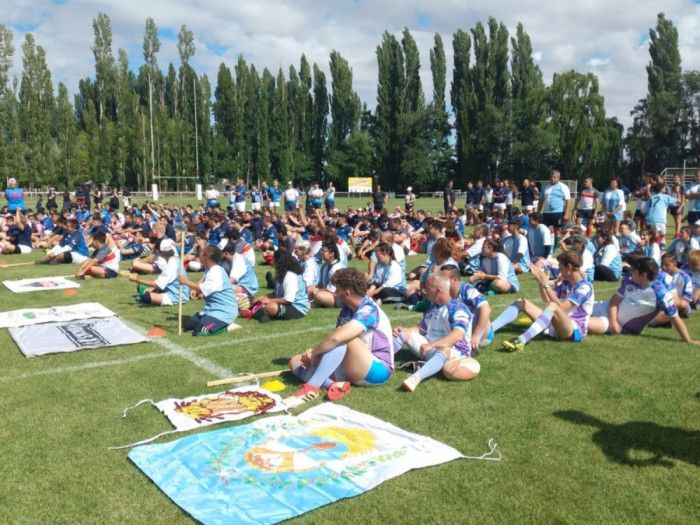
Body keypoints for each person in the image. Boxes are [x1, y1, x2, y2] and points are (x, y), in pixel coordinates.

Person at [285, 268, 394, 407]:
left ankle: (311, 387)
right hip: (353, 364)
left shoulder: (369, 309)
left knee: (345, 338)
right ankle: (334, 385)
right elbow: (334, 342)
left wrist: (315, 352)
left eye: (337, 290)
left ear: (347, 293)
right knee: (296, 361)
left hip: (378, 370)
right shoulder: (346, 310)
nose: (335, 294)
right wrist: (314, 355)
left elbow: (337, 338)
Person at [492, 252, 594, 352]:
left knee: (553, 306)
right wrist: (542, 283)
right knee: (521, 302)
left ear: (569, 266)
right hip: (558, 323)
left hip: (574, 331)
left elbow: (562, 307)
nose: (559, 269)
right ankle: (490, 329)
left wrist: (547, 285)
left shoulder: (585, 287)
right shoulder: (566, 283)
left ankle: (521, 340)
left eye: (561, 266)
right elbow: (546, 299)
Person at [394, 273, 480, 392]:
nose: (423, 291)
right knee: (404, 333)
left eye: (427, 288)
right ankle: (383, 360)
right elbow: (421, 328)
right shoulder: (433, 307)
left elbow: (458, 334)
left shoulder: (457, 308)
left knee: (445, 358)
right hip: (429, 348)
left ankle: (416, 377)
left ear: (437, 290)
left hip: (454, 352)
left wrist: (432, 345)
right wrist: (404, 330)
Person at [587, 256, 699, 345]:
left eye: (634, 271)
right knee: (578, 307)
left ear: (644, 275)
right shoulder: (630, 280)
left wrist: (688, 340)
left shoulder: (661, 294)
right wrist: (613, 321)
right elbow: (614, 301)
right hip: (607, 310)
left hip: (618, 325)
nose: (631, 272)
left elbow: (675, 318)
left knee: (583, 324)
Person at [178, 245, 238, 335]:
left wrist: (186, 282)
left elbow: (201, 288)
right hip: (211, 310)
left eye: (202, 252)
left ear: (207, 256)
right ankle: (213, 322)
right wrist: (195, 290)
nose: (199, 254)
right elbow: (202, 285)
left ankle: (228, 327)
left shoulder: (216, 272)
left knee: (200, 332)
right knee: (188, 326)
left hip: (224, 312)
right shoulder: (209, 268)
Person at [440, 265, 493, 350]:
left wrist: (475, 336)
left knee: (480, 307)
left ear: (455, 280)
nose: (440, 282)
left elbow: (486, 309)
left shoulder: (467, 290)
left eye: (444, 279)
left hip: (480, 335)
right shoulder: (442, 292)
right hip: (458, 331)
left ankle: (471, 346)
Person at [129, 238, 190, 306]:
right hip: (176, 291)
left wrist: (137, 280)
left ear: (161, 252)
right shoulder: (175, 260)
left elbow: (157, 285)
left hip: (176, 296)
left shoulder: (170, 266)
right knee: (148, 290)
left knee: (145, 298)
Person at [256, 249, 310, 322]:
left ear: (279, 261)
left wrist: (269, 300)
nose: (272, 260)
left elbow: (288, 300)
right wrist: (263, 297)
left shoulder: (290, 275)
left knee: (271, 307)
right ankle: (264, 314)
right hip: (287, 304)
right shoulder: (281, 273)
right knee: (257, 300)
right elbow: (276, 293)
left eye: (273, 258)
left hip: (297, 308)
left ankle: (266, 315)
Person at [310, 242, 343, 307]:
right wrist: (314, 289)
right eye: (321, 250)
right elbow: (320, 284)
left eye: (324, 251)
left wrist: (317, 291)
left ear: (332, 254)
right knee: (309, 289)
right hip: (327, 293)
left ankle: (315, 303)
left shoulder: (337, 268)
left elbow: (332, 290)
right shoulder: (325, 266)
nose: (321, 253)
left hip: (337, 296)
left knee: (319, 296)